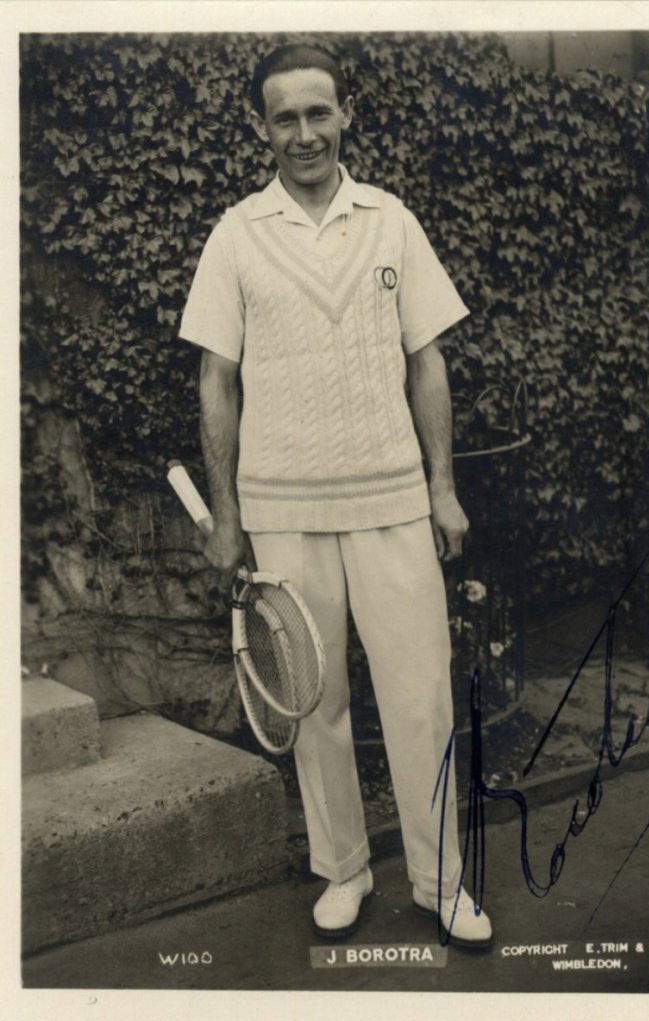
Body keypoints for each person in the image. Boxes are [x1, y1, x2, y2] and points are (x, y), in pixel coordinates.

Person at [179, 44, 492, 948]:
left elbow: (426, 359)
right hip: (281, 509)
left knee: (420, 695)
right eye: (285, 117)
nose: (305, 133)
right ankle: (344, 871)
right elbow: (215, 380)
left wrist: (442, 489)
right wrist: (229, 516)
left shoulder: (391, 221)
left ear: (345, 113)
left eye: (320, 113)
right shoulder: (237, 233)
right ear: (260, 127)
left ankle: (442, 885)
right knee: (311, 702)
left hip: (393, 499)